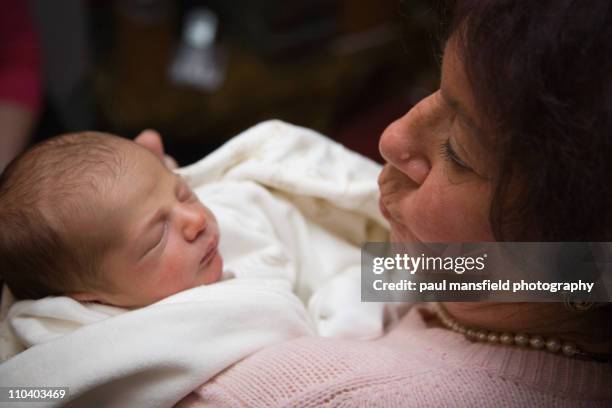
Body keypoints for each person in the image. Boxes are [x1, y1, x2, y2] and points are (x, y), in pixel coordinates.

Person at [171, 1, 611, 406]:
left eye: (458, 150)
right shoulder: (497, 280)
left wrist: (124, 237)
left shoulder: (316, 394)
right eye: (433, 88)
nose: (392, 137)